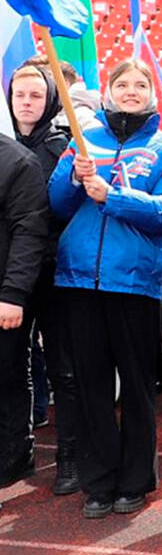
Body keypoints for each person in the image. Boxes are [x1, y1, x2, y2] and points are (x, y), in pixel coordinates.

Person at [48, 59, 162, 519]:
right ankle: (99, 479)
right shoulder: (84, 141)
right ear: (108, 91)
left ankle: (135, 480)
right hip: (79, 279)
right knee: (91, 385)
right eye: (121, 83)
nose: (130, 91)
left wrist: (115, 196)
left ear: (151, 93)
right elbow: (58, 204)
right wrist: (72, 177)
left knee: (137, 386)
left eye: (139, 84)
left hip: (135, 283)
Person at [6, 62, 75, 495]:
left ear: (49, 99)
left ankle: (70, 456)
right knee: (12, 365)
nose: (27, 104)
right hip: (13, 272)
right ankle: (17, 449)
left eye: (35, 96)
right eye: (19, 96)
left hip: (54, 271)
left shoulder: (64, 147)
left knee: (64, 368)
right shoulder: (4, 145)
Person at [0, 84, 51, 497]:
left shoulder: (19, 162)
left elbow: (29, 232)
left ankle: (15, 454)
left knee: (8, 375)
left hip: (4, 294)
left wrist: (14, 294)